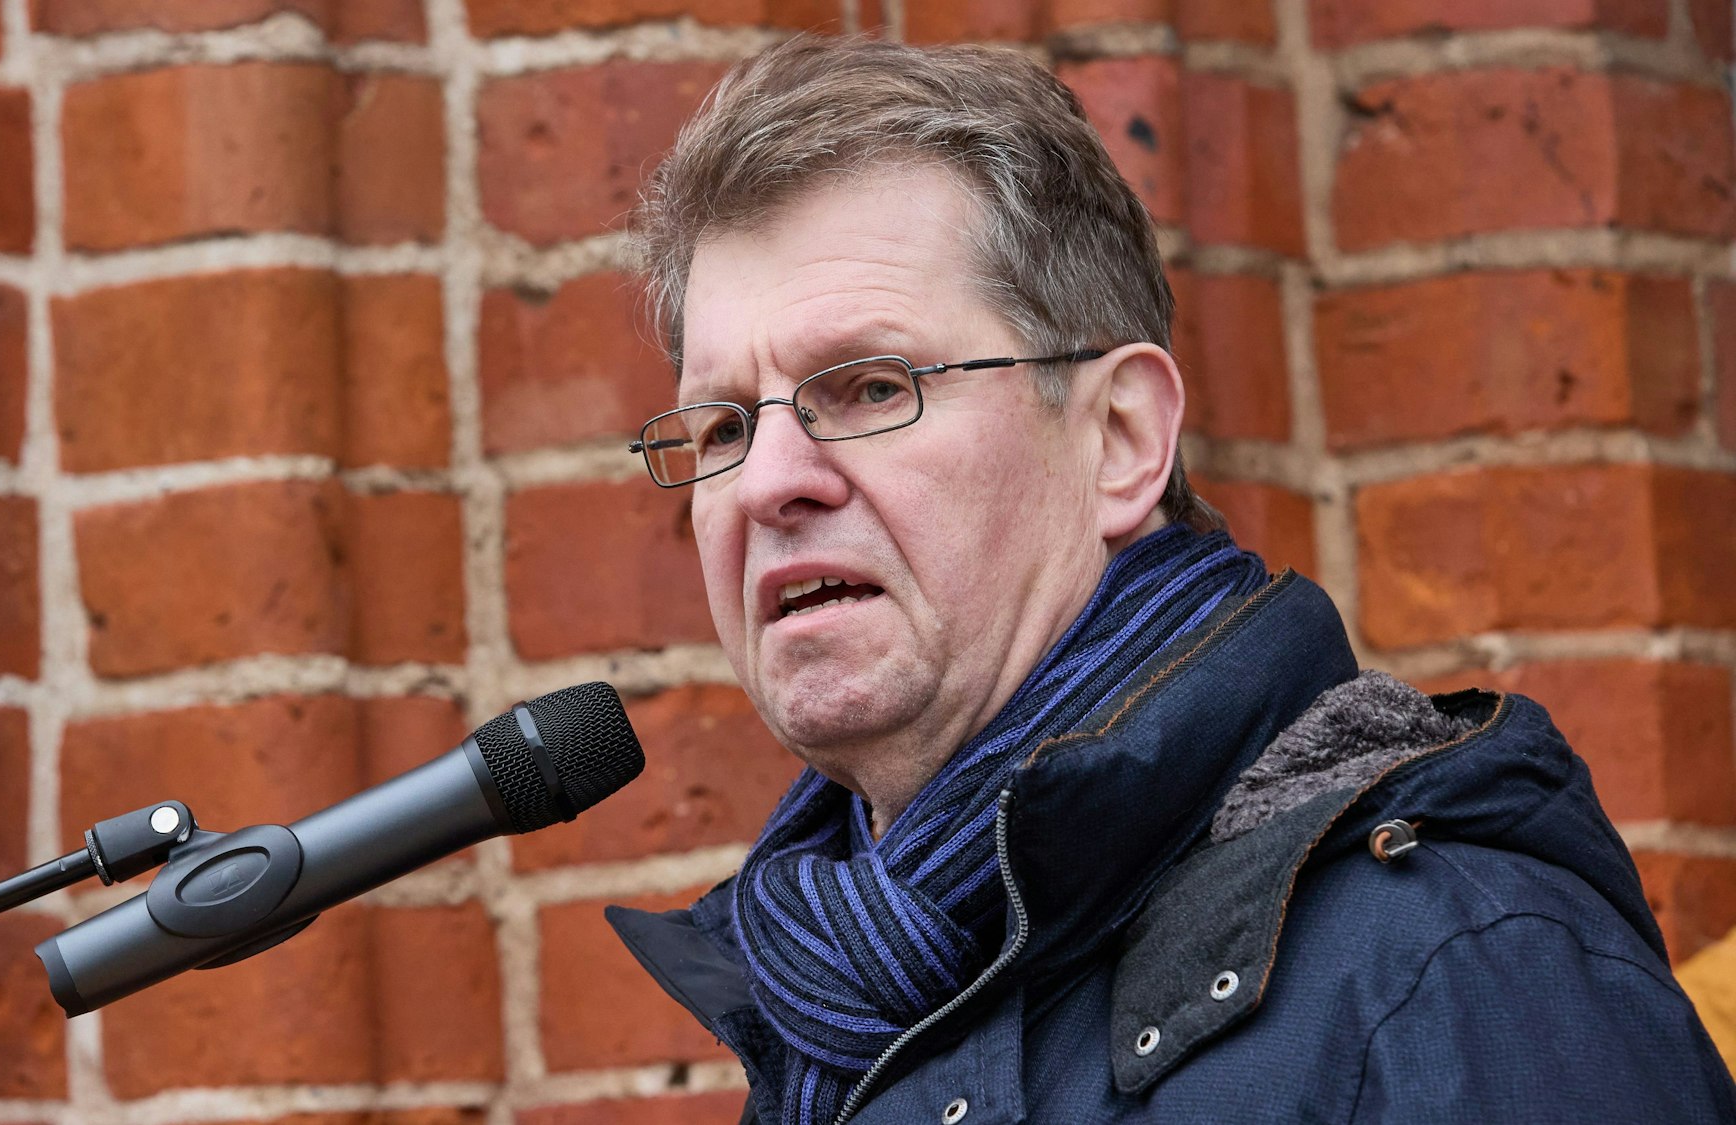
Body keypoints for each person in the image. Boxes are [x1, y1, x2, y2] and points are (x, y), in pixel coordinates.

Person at [603, 35, 1736, 1125]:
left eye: (866, 387)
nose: (766, 483)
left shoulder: (1457, 975)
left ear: (1121, 438)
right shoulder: (831, 1018)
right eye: (715, 429)